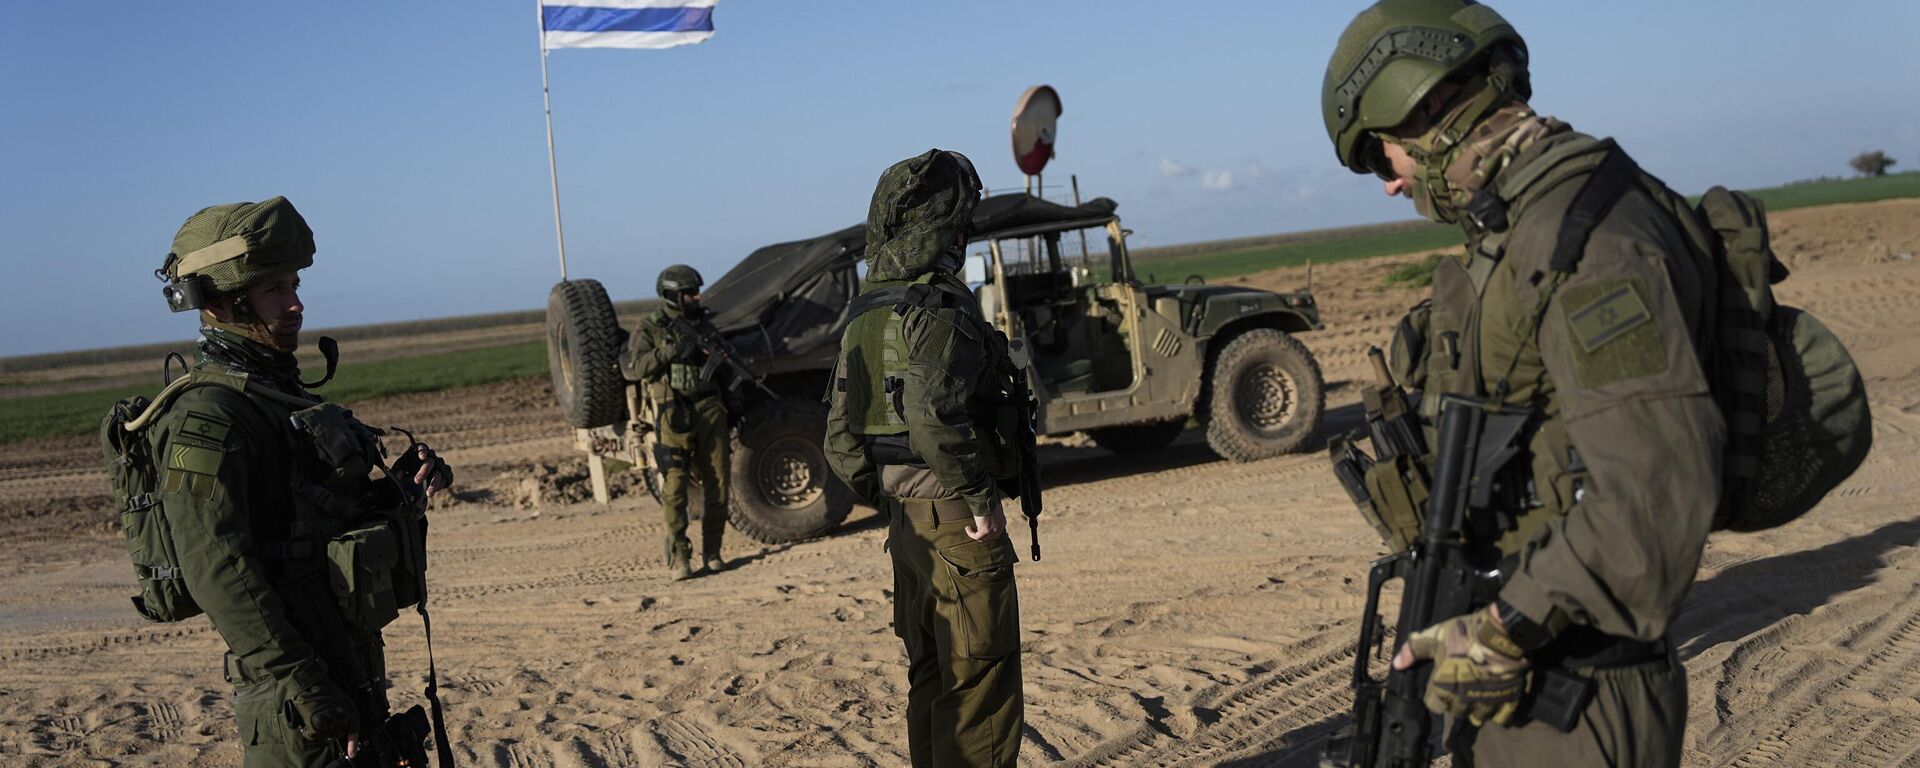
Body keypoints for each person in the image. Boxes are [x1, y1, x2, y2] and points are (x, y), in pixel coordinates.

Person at [1321, 1, 1725, 765]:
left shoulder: (1585, 235)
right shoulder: (1521, 228)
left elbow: (1656, 495)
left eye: (1382, 157)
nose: (1388, 184)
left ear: (1431, 104)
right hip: (1523, 677)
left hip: (1577, 693)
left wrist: (1504, 626)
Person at [141, 196, 452, 766]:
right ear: (219, 304)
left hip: (344, 665)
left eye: (295, 285)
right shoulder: (208, 416)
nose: (295, 305)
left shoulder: (274, 397)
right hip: (294, 697)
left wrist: (397, 493)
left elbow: (312, 521)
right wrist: (305, 687)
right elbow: (219, 571)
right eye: (274, 291)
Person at [825, 149, 1024, 767]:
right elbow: (934, 416)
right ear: (947, 234)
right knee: (980, 688)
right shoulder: (939, 309)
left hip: (905, 525)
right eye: (961, 230)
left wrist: (889, 493)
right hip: (956, 519)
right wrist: (980, 502)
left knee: (931, 680)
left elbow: (839, 437)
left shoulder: (865, 313)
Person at [623, 264, 732, 580]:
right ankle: (680, 558)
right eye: (689, 293)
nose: (696, 297)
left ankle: (713, 552)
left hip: (710, 408)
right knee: (674, 486)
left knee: (719, 484)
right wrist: (673, 350)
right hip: (673, 412)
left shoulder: (705, 324)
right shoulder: (651, 327)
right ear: (672, 295)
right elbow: (639, 365)